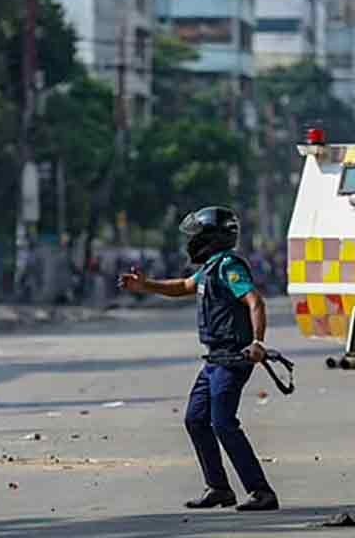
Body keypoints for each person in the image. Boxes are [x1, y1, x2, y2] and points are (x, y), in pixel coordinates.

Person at [119, 206, 279, 512]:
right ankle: (218, 488)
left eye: (196, 235)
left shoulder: (229, 266)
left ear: (211, 237)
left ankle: (261, 492)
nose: (191, 242)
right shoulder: (209, 268)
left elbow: (255, 301)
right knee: (195, 419)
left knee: (223, 423)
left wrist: (258, 342)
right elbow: (183, 286)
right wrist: (146, 285)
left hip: (233, 358)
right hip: (214, 360)